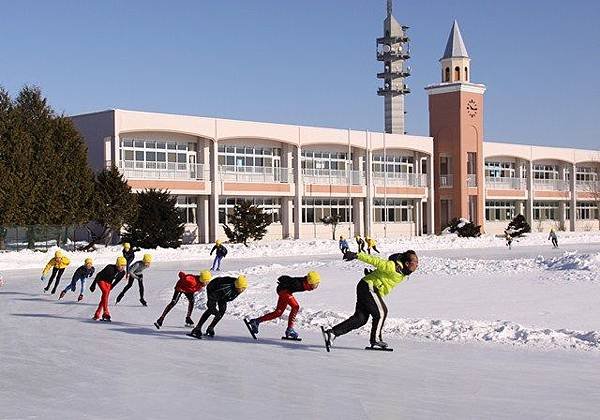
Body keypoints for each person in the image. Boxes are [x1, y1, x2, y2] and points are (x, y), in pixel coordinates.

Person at [322, 250, 419, 349]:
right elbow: (375, 260)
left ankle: (332, 333)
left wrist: (374, 274)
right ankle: (375, 340)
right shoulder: (392, 267)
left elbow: (385, 275)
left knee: (360, 319)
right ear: (407, 263)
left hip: (367, 287)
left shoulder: (404, 273)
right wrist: (356, 255)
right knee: (381, 312)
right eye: (415, 262)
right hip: (369, 287)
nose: (417, 264)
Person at [247, 271, 321, 339]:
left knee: (278, 313)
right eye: (315, 284)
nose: (316, 286)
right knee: (295, 307)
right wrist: (283, 281)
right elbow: (289, 280)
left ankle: (256, 321)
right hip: (283, 291)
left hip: (284, 290)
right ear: (309, 282)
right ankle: (290, 329)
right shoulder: (298, 284)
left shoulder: (305, 283)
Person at [90, 256, 127, 321]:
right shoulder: (110, 268)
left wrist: (111, 287)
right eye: (121, 265)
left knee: (105, 296)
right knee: (105, 292)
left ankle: (97, 314)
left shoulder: (122, 273)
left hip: (109, 283)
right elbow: (98, 275)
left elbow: (116, 282)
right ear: (117, 264)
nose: (123, 267)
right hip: (101, 280)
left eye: (124, 265)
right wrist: (93, 284)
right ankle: (106, 312)